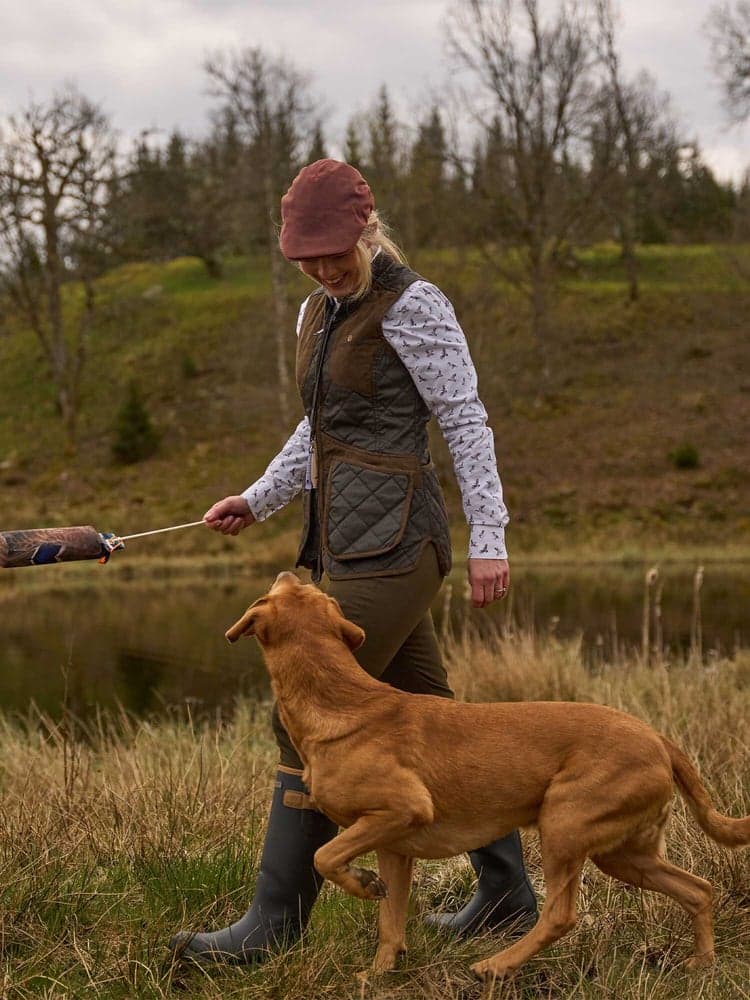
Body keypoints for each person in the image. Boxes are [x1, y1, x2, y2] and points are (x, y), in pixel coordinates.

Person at [170, 159, 537, 964]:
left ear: (368, 231)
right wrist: (255, 497)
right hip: (341, 542)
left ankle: (274, 923)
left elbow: (467, 422)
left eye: (336, 251)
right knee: (432, 714)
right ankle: (508, 897)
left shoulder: (416, 306)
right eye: (307, 257)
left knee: (309, 711)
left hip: (402, 544)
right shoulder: (317, 310)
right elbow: (318, 428)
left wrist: (490, 537)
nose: (325, 267)